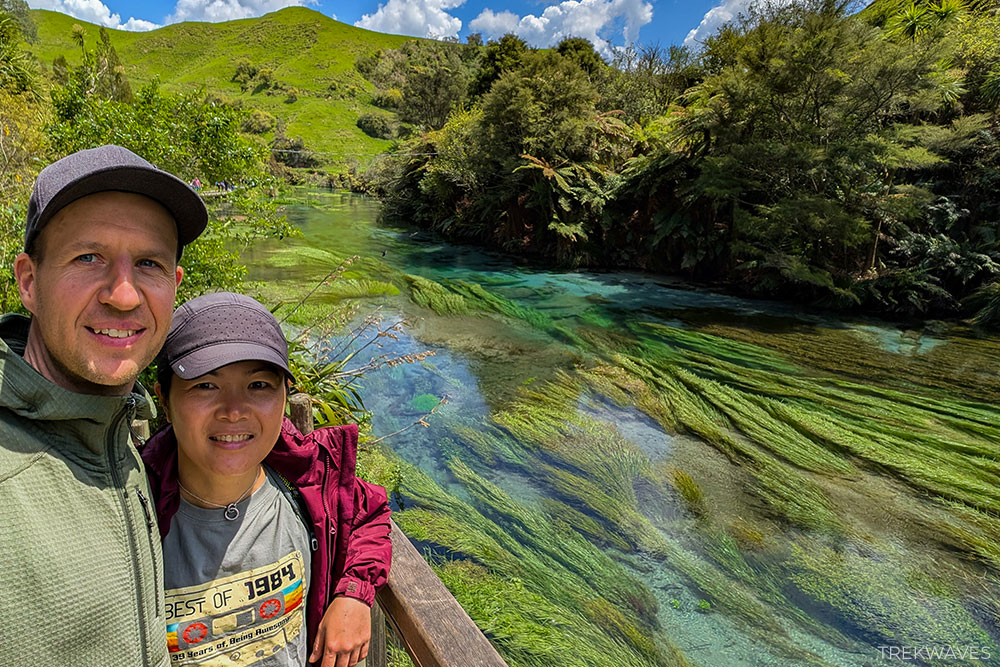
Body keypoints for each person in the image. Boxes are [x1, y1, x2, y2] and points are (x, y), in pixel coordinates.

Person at [0, 144, 208, 666]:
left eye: (148, 264)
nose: (123, 294)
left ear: (174, 286)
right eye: (88, 257)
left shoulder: (121, 429)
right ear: (29, 281)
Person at [141, 292, 392, 667]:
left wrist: (353, 594)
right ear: (164, 398)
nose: (234, 411)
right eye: (205, 385)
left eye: (258, 385)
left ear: (284, 395)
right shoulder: (134, 513)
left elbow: (370, 516)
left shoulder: (307, 485)